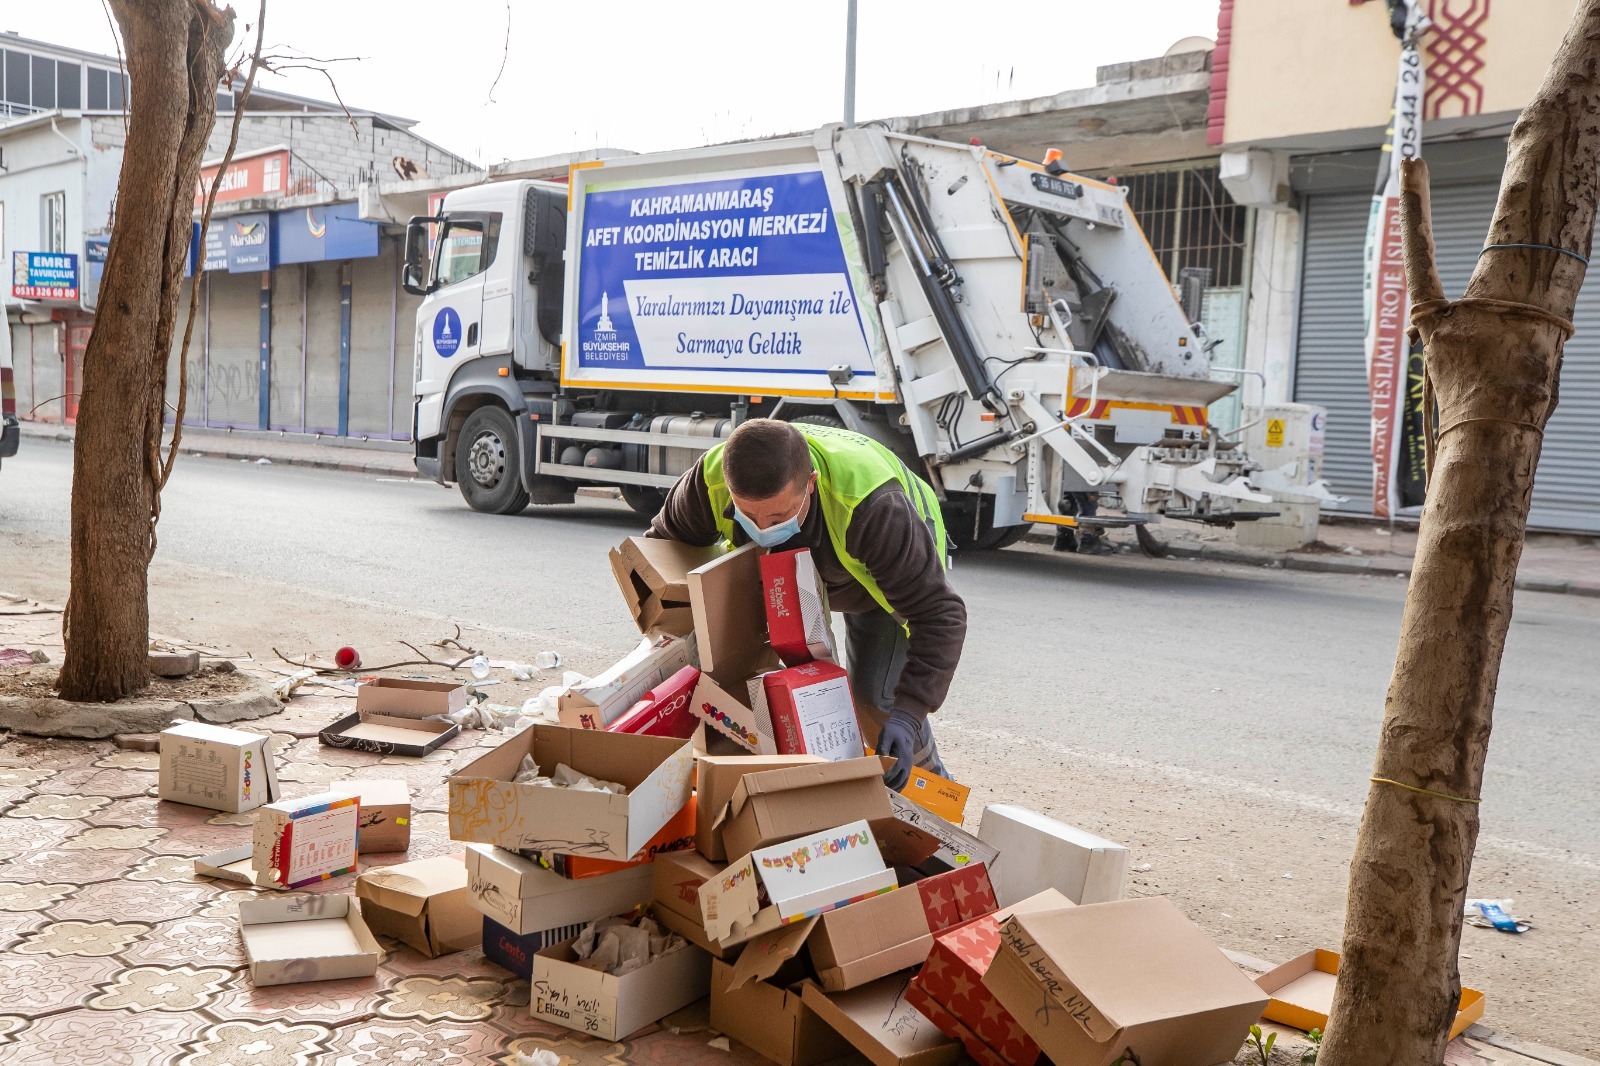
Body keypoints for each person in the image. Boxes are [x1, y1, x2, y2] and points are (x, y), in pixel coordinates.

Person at [647, 418, 965, 790]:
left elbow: (940, 615)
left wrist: (908, 717)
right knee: (713, 667)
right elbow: (660, 559)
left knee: (879, 701)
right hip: (779, 572)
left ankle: (936, 803)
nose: (763, 528)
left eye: (779, 516)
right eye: (748, 515)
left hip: (876, 581)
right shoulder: (712, 479)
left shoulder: (874, 508)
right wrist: (664, 649)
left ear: (810, 484)